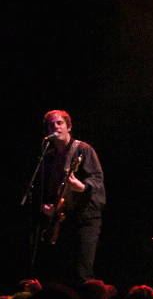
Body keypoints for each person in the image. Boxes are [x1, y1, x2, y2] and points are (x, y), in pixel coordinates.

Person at [37, 110, 105, 285]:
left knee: (82, 271)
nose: (55, 127)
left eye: (59, 123)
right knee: (62, 272)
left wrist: (82, 187)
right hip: (63, 219)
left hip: (85, 218)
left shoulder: (82, 149)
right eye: (51, 124)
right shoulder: (50, 156)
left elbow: (97, 179)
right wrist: (48, 205)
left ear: (69, 126)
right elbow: (49, 188)